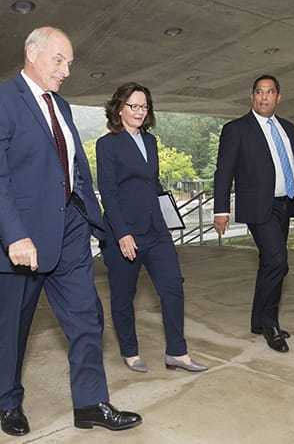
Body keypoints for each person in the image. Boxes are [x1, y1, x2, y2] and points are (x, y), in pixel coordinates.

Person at [0, 26, 142, 437]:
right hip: (23, 240)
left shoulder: (61, 106)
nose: (65, 71)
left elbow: (76, 169)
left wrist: (97, 223)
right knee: (13, 329)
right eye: (58, 60)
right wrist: (13, 235)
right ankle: (8, 402)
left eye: (69, 64)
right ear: (32, 54)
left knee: (86, 319)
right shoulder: (5, 100)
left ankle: (90, 404)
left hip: (70, 230)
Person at [214, 74, 294, 353]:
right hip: (258, 206)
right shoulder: (236, 129)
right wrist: (221, 210)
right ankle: (270, 324)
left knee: (270, 261)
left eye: (269, 92)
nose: (264, 97)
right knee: (278, 261)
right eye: (259, 92)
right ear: (252, 96)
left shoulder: (288, 128)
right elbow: (224, 171)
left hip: (284, 204)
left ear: (279, 97)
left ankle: (257, 320)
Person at [96, 82, 207, 373]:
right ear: (119, 108)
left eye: (144, 106)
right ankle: (130, 351)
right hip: (125, 234)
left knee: (173, 288)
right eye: (133, 105)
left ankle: (177, 353)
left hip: (156, 231)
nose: (139, 111)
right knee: (123, 296)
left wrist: (169, 217)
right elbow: (107, 191)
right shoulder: (107, 144)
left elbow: (153, 185)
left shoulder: (151, 142)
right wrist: (122, 233)